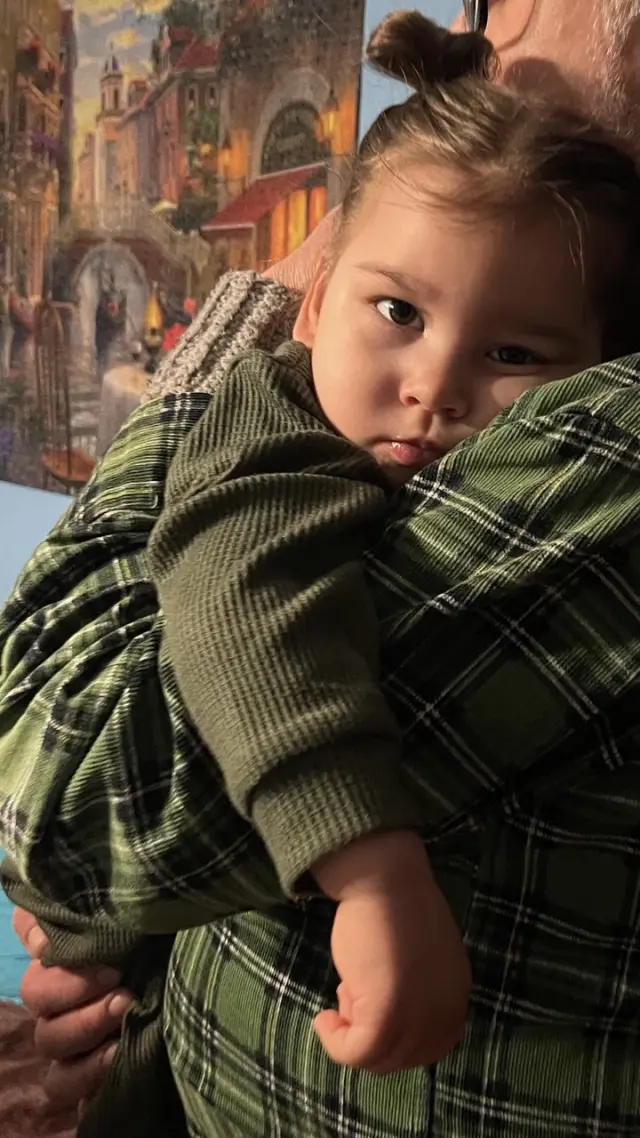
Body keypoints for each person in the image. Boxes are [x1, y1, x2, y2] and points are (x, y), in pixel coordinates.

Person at [5, 0, 640, 1135]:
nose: (434, 386)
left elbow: (72, 809)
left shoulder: (600, 444)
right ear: (312, 305)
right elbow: (248, 607)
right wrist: (369, 863)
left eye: (512, 353)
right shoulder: (279, 423)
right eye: (397, 310)